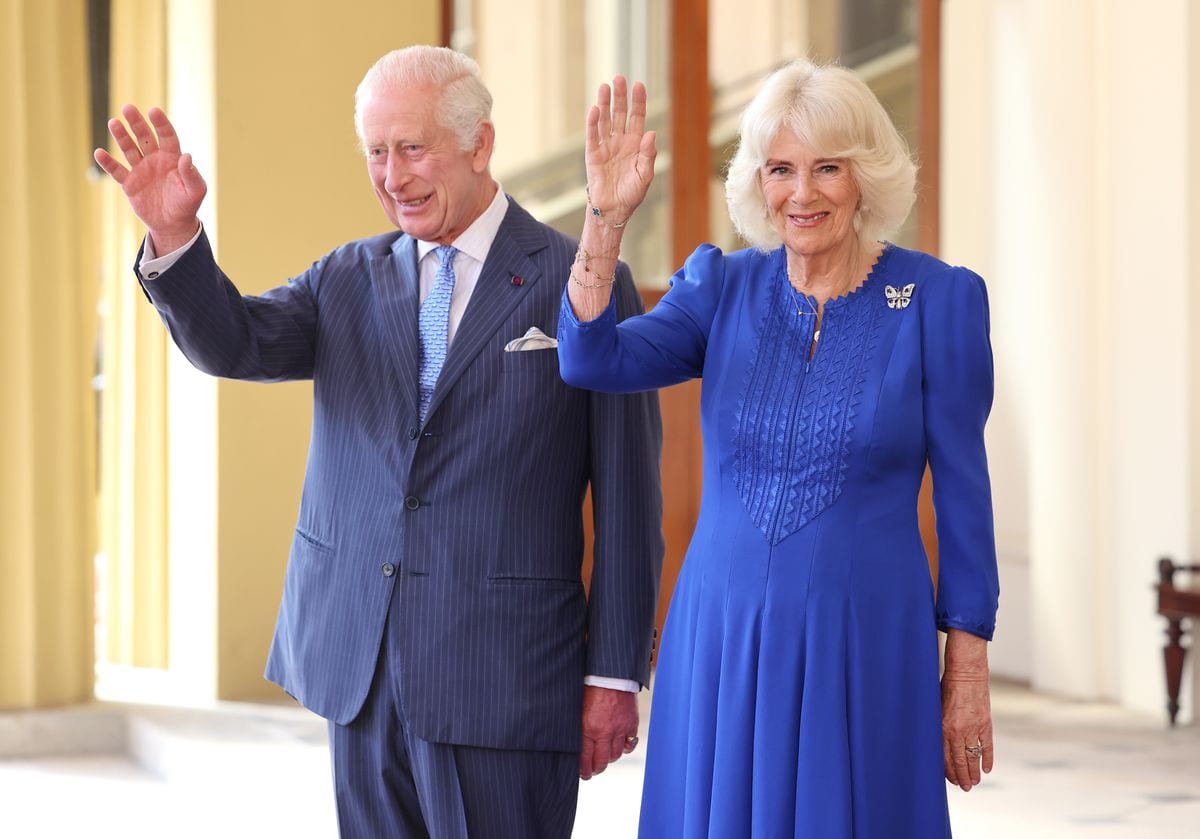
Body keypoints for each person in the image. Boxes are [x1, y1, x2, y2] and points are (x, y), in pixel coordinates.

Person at [93, 45, 664, 839]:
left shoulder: (581, 279)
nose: (392, 176)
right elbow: (236, 344)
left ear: (480, 144)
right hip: (359, 668)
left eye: (411, 148)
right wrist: (178, 238)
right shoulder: (346, 278)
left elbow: (632, 499)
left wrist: (613, 674)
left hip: (502, 679)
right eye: (375, 152)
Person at [557, 61, 999, 838]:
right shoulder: (719, 287)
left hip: (864, 642)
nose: (803, 193)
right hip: (722, 638)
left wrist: (966, 668)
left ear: (866, 178)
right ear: (758, 183)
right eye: (781, 169)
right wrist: (605, 216)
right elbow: (590, 359)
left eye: (828, 167)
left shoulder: (937, 300)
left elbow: (965, 497)